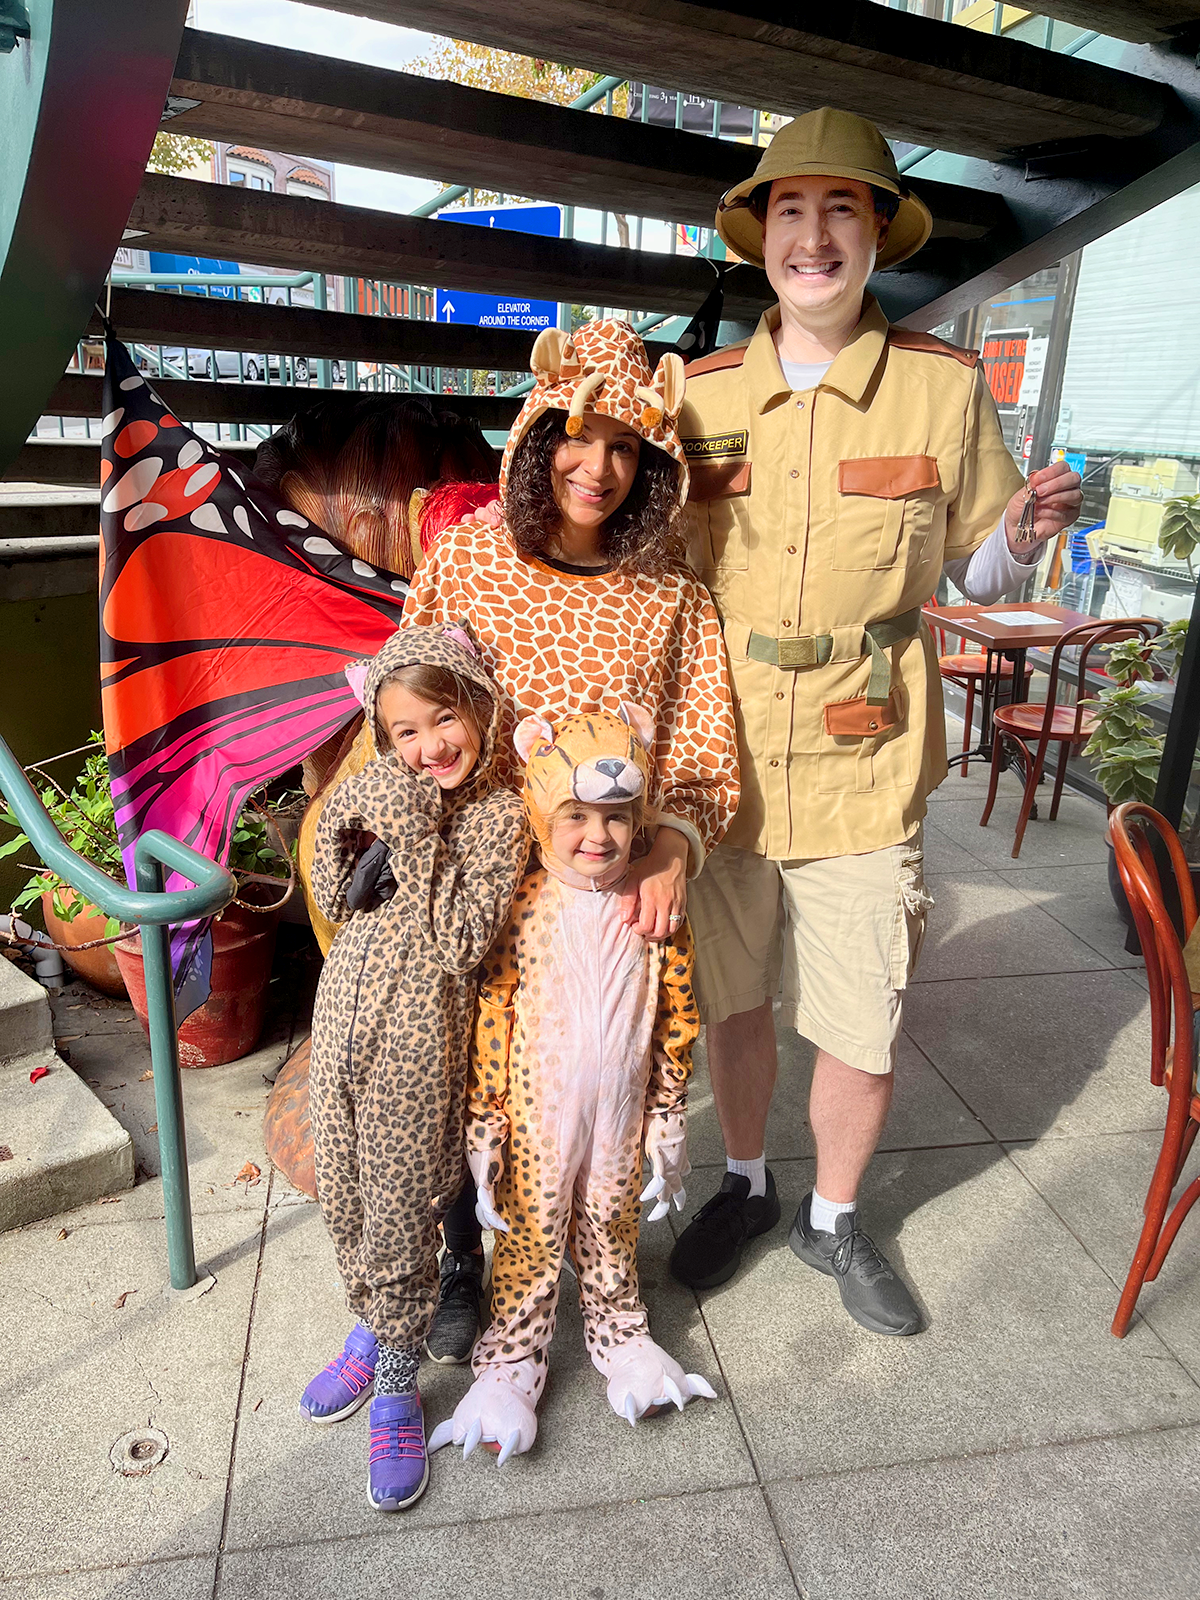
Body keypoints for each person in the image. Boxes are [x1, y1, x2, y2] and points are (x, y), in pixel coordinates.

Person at [669, 108, 1083, 1333]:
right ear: (760, 238)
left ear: (875, 235)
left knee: (861, 1011)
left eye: (840, 210)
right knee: (736, 1000)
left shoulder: (942, 390)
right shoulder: (690, 396)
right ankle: (745, 1181)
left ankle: (834, 1218)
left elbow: (980, 575)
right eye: (790, 210)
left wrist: (1020, 537)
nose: (814, 237)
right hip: (725, 756)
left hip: (864, 753)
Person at [430, 706, 716, 1466]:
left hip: (620, 1115)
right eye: (578, 815)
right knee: (530, 1235)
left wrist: (668, 1113)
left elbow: (676, 1016)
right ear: (542, 810)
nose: (599, 835)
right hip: (536, 1117)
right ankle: (510, 1365)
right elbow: (493, 1014)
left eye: (619, 818)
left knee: (613, 1224)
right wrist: (485, 1126)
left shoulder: (654, 909)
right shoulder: (523, 903)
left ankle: (622, 1335)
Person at [400, 317, 741, 937]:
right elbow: (405, 712)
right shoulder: (465, 561)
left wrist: (670, 853)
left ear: (651, 464)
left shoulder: (672, 592)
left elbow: (703, 750)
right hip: (479, 900)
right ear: (537, 436)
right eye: (578, 436)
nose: (598, 469)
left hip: (615, 900)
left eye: (625, 446)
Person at [300, 623, 529, 1512]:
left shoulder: (497, 817)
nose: (429, 746)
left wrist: (414, 827)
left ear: (477, 707)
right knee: (348, 1191)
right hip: (343, 1024)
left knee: (401, 1211)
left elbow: (460, 937)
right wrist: (359, 830)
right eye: (405, 733)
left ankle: (395, 1382)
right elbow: (330, 889)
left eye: (443, 719)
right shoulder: (380, 791)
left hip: (418, 1050)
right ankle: (371, 1323)